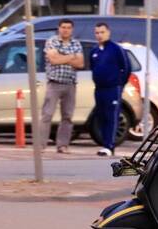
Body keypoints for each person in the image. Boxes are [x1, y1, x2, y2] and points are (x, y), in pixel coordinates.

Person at [41, 19, 84, 153]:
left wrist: (62, 57)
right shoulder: (52, 41)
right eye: (63, 27)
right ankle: (40, 145)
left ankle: (62, 145)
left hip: (70, 84)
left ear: (72, 29)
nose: (65, 30)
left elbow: (80, 63)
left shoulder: (76, 43)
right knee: (47, 115)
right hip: (54, 83)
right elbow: (53, 60)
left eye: (68, 28)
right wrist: (71, 57)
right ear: (59, 28)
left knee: (67, 116)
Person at [90, 22, 132, 157]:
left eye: (102, 32)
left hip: (113, 89)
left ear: (108, 32)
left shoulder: (116, 49)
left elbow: (126, 67)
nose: (99, 35)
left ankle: (109, 145)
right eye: (97, 33)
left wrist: (119, 84)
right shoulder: (94, 51)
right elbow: (93, 67)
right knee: (101, 116)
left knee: (111, 116)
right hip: (99, 89)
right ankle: (105, 144)